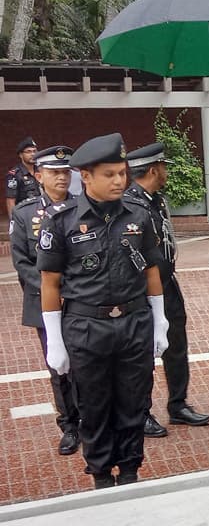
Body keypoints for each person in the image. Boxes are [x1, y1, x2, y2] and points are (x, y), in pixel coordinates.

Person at [37, 133, 168, 489]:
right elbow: (49, 283)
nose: (119, 181)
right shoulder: (61, 221)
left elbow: (152, 271)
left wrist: (160, 321)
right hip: (86, 326)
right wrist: (55, 341)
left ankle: (129, 471)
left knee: (134, 402)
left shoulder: (139, 215)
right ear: (86, 176)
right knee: (93, 407)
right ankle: (100, 475)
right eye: (109, 174)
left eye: (122, 173)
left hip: (133, 322)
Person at [125, 143, 209, 438]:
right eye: (163, 167)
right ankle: (141, 412)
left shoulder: (156, 199)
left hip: (167, 284)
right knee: (144, 352)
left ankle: (178, 404)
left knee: (176, 344)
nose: (166, 172)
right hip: (142, 290)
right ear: (152, 170)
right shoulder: (130, 205)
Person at [10, 145, 80, 455]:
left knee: (88, 362)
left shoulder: (84, 207)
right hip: (45, 303)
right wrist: (53, 286)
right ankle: (69, 424)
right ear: (39, 175)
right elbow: (22, 261)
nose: (62, 178)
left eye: (66, 172)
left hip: (82, 301)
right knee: (58, 365)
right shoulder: (25, 214)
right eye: (54, 172)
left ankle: (93, 419)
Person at [7, 137, 40, 214]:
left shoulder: (41, 170)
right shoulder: (14, 175)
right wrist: (13, 222)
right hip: (25, 215)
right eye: (28, 151)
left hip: (42, 213)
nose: (33, 154)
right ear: (21, 155)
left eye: (34, 151)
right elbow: (10, 201)